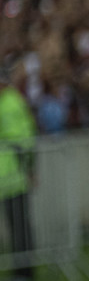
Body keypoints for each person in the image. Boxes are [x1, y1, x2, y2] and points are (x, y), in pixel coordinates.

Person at [0, 62, 37, 281]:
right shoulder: (10, 99)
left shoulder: (9, 102)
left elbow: (22, 139)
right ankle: (23, 270)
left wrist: (29, 167)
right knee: (19, 226)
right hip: (10, 176)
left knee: (20, 227)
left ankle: (24, 272)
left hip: (14, 176)